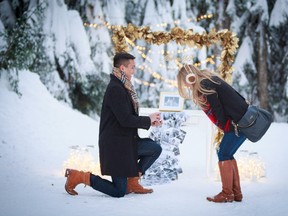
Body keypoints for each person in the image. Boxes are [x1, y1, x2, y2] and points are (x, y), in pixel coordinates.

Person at [64, 52, 162, 198]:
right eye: (132, 68)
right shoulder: (116, 89)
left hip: (126, 143)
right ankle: (79, 177)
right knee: (118, 191)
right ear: (122, 68)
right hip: (116, 147)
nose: (134, 71)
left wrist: (150, 122)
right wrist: (148, 119)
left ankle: (133, 181)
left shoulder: (123, 86)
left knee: (154, 149)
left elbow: (126, 118)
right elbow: (125, 119)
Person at [177, 64, 249, 203]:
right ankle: (235, 193)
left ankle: (228, 193)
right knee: (226, 153)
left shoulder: (204, 84)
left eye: (184, 80)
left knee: (223, 153)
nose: (185, 85)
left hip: (237, 122)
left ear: (189, 77)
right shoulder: (208, 79)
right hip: (242, 120)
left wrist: (225, 125)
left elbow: (217, 108)